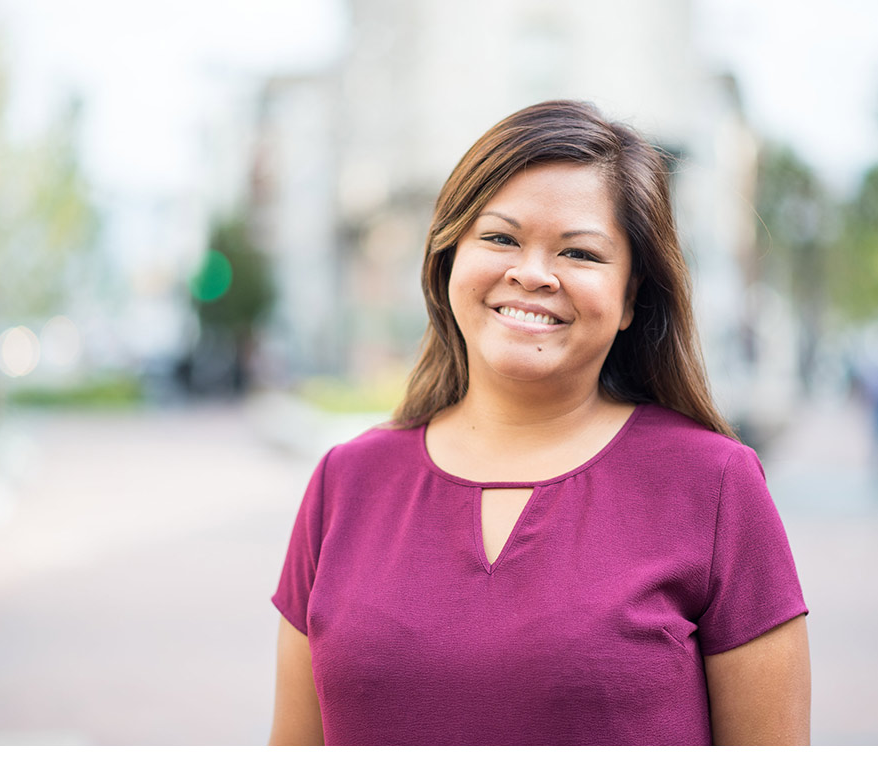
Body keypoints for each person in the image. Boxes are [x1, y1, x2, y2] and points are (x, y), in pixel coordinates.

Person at [269, 100, 810, 746]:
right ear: (448, 261)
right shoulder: (345, 483)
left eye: (579, 252)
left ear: (633, 296)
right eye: (499, 237)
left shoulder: (715, 485)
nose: (531, 274)